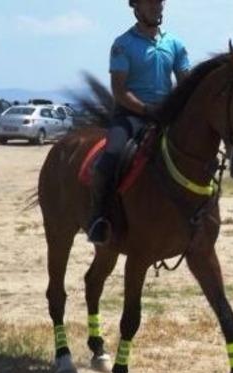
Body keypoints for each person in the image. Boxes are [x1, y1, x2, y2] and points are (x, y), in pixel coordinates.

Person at [87, 0, 190, 244]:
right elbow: (120, 91)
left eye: (160, 2)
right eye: (151, 2)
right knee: (109, 157)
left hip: (164, 117)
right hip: (130, 117)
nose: (158, 7)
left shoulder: (174, 44)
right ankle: (100, 219)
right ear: (137, 7)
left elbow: (186, 83)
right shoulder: (123, 45)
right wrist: (146, 109)